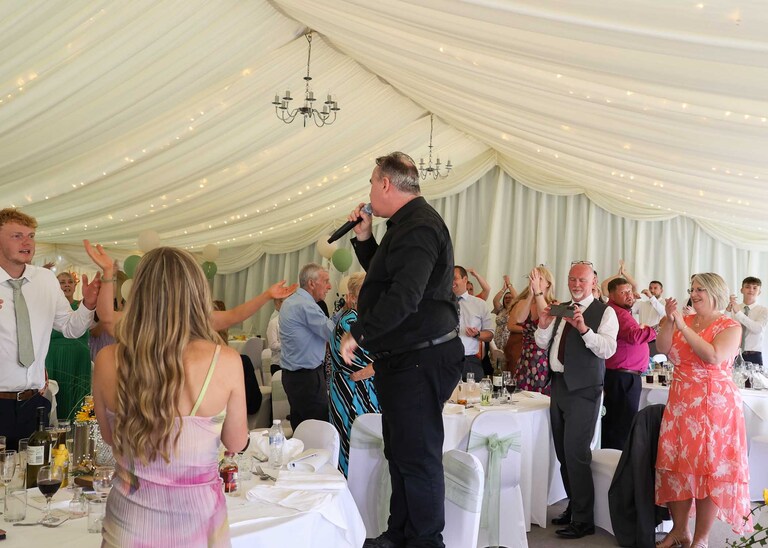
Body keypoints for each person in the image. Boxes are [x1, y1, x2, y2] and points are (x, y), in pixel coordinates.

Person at [340, 152, 463, 548]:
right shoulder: (405, 226)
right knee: (402, 452)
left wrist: (359, 333)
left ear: (387, 184)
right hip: (405, 358)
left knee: (419, 457)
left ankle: (426, 541)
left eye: (373, 182)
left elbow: (405, 297)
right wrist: (364, 239)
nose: (370, 190)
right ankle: (401, 534)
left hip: (421, 357)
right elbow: (386, 279)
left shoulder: (420, 227)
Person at [91, 247, 248, 547]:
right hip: (199, 524)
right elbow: (237, 443)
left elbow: (111, 438)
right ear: (198, 294)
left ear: (138, 294)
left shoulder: (108, 359)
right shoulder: (225, 360)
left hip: (129, 525)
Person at [654, 273, 751, 548]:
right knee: (677, 468)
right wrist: (669, 321)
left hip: (715, 407)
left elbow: (713, 356)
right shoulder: (684, 319)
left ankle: (701, 538)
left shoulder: (729, 326)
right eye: (692, 289)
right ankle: (679, 531)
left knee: (709, 470)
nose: (694, 294)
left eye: (700, 289)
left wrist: (683, 327)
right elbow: (661, 349)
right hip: (681, 403)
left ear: (715, 292)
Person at [0, 208, 99, 451]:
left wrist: (87, 304)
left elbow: (70, 328)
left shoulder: (45, 279)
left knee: (35, 479)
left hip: (34, 403)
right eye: (17, 236)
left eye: (31, 236)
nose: (27, 242)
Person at [534, 261, 618, 539]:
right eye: (572, 279)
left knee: (576, 454)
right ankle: (574, 506)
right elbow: (543, 343)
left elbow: (607, 349)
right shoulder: (561, 308)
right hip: (557, 386)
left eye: (582, 280)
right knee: (562, 453)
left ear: (593, 281)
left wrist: (584, 329)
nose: (576, 284)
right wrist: (544, 325)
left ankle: (584, 520)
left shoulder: (605, 312)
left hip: (584, 390)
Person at [328, 272, 379, 476]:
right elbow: (366, 365)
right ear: (355, 296)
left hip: (359, 389)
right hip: (353, 393)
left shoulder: (363, 320)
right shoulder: (351, 321)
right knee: (354, 449)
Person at [279, 263, 335, 431]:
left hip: (293, 377)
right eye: (325, 281)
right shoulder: (306, 306)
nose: (329, 286)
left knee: (302, 429)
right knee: (320, 431)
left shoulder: (291, 302)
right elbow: (332, 333)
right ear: (311, 283)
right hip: (307, 379)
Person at [602, 277, 656, 450]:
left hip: (624, 376)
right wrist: (658, 328)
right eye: (623, 292)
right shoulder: (617, 312)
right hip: (622, 376)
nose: (629, 295)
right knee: (621, 425)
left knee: (619, 423)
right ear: (611, 294)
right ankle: (616, 464)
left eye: (630, 291)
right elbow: (635, 336)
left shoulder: (622, 312)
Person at [45, 271, 93, 420]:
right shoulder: (48, 307)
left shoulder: (84, 306)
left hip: (80, 357)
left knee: (79, 397)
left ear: (75, 285)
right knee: (57, 395)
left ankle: (79, 431)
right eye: (62, 282)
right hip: (55, 356)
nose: (66, 285)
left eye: (70, 282)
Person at [509, 266, 556, 394]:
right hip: (526, 357)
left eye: (539, 279)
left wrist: (538, 293)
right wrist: (530, 295)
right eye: (532, 278)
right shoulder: (524, 302)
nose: (534, 281)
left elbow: (544, 318)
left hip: (544, 359)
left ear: (548, 284)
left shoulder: (554, 305)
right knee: (522, 396)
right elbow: (519, 318)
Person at [453, 265, 494, 380]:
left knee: (473, 396)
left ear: (465, 279)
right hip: (443, 359)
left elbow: (490, 334)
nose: (451, 281)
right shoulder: (440, 303)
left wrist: (478, 334)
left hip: (469, 359)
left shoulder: (479, 304)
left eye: (454, 278)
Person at [726, 276, 767, 364]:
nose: (751, 290)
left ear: (759, 292)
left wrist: (738, 313)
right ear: (741, 290)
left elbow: (757, 329)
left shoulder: (764, 310)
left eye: (755, 288)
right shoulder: (734, 307)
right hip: (734, 353)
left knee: (755, 378)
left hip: (754, 355)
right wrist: (728, 311)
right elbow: (724, 327)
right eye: (747, 287)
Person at [266, 297, 284, 375]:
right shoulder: (274, 322)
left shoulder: (294, 321)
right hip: (278, 364)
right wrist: (290, 345)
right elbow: (272, 345)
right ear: (278, 303)